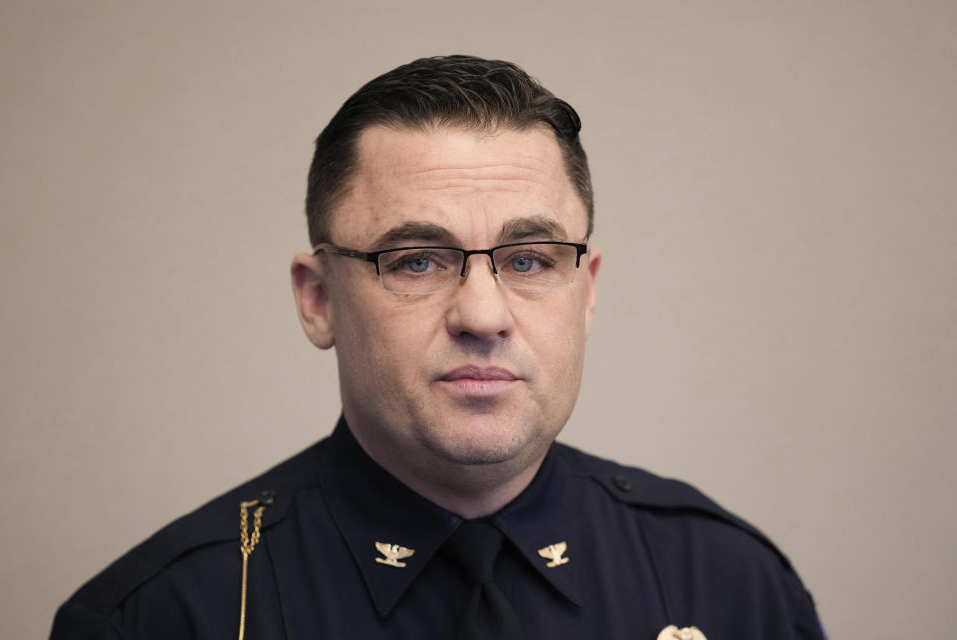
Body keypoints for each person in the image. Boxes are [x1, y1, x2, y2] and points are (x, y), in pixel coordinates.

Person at [50, 55, 825, 640]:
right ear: (318, 301)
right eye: (416, 260)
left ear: (586, 293)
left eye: (530, 260)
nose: (483, 314)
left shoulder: (732, 588)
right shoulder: (162, 616)